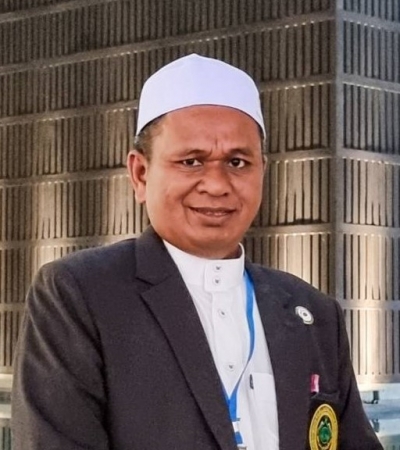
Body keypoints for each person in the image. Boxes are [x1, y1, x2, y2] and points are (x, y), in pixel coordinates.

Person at [11, 54, 382, 450]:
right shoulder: (82, 294)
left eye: (237, 162)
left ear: (262, 170)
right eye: (191, 162)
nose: (217, 184)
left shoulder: (313, 312)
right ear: (140, 173)